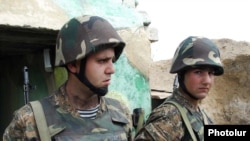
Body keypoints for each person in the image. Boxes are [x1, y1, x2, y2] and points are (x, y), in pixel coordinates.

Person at [3, 15, 133, 141]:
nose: (111, 69)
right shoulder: (30, 119)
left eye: (112, 60)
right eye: (102, 61)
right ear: (72, 65)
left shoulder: (121, 113)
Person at [135, 36, 224, 141]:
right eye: (198, 72)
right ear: (181, 74)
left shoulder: (200, 114)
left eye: (210, 73)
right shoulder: (169, 116)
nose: (207, 81)